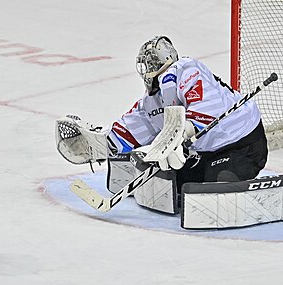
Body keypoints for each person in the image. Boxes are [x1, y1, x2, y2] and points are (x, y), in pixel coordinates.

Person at [106, 35, 268, 191]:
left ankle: (240, 186)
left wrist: (178, 136)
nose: (150, 66)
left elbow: (207, 105)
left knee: (218, 181)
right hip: (206, 153)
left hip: (241, 143)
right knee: (174, 182)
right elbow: (128, 130)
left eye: (152, 61)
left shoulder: (186, 69)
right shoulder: (152, 100)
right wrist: (98, 144)